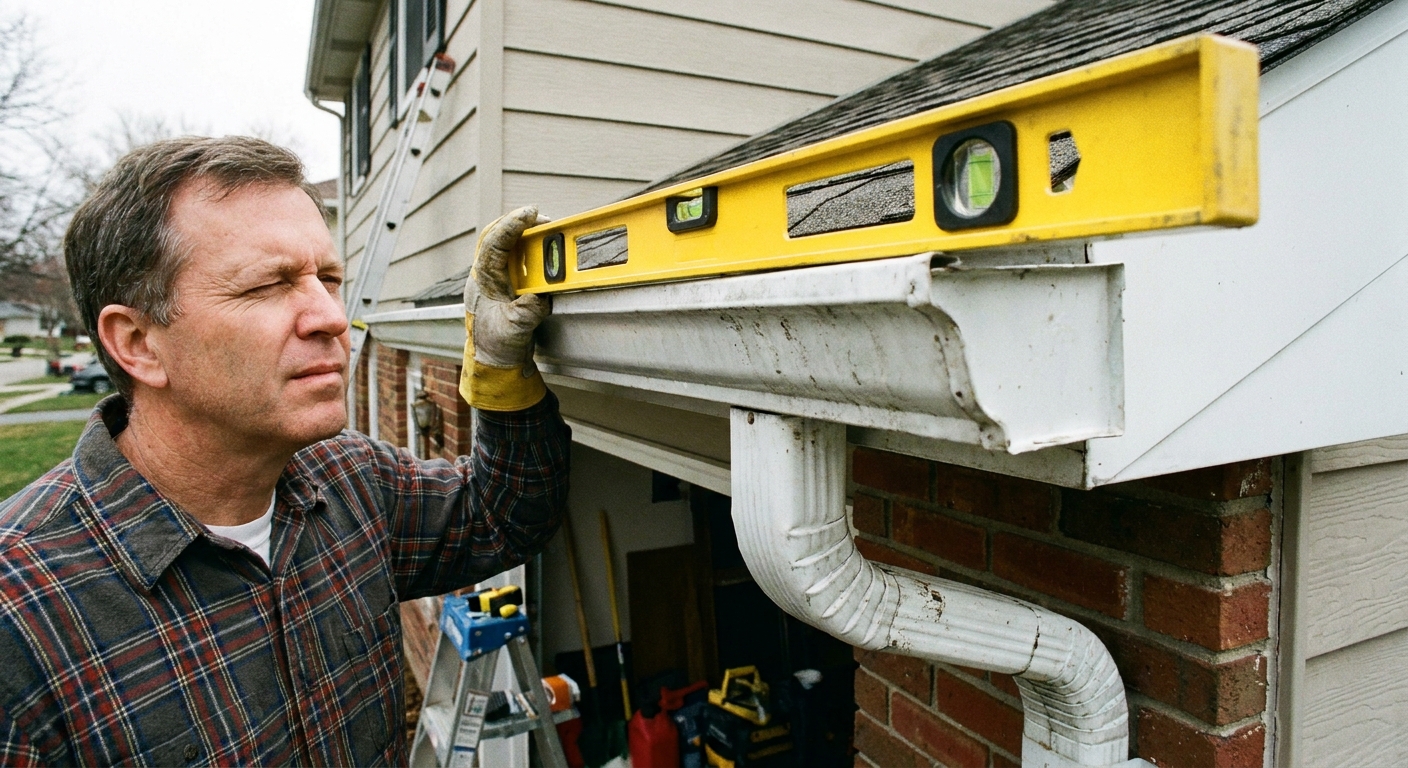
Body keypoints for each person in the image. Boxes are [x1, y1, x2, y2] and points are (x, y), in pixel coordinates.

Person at [0, 136, 569, 766]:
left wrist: (496, 369)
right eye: (268, 286)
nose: (330, 317)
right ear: (137, 342)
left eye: (328, 278)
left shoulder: (349, 479)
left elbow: (507, 512)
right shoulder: (20, 619)